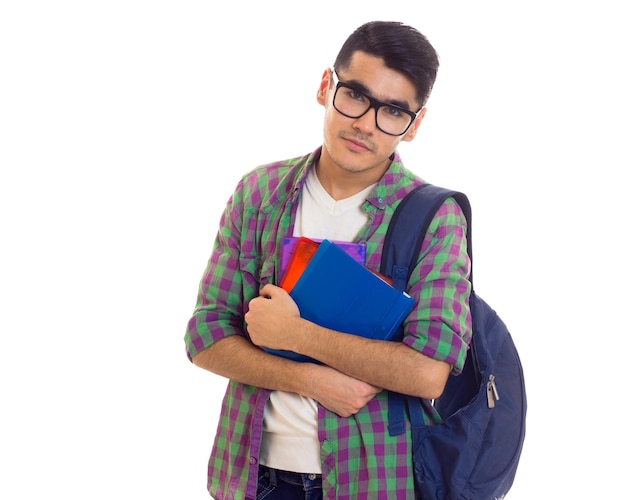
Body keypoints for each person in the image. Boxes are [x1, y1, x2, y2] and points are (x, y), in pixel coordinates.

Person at [184, 20, 472, 499]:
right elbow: (205, 335)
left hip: (368, 483)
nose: (365, 124)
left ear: (415, 124)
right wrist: (309, 378)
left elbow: (428, 372)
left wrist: (298, 335)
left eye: (393, 112)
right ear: (326, 87)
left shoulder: (434, 218)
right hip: (253, 478)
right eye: (355, 95)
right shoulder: (260, 194)